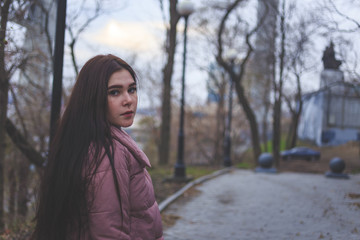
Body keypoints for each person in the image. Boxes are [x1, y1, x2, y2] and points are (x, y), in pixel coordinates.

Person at [31, 54, 164, 240]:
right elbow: (109, 233)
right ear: (93, 98)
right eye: (115, 92)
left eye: (132, 89)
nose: (128, 100)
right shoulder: (108, 153)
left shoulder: (85, 141)